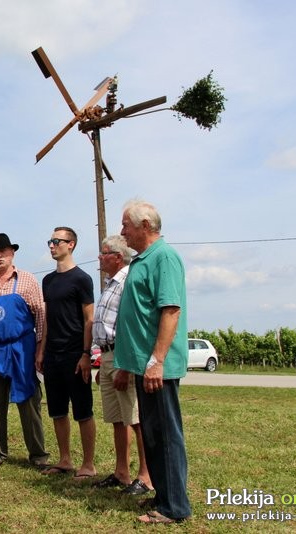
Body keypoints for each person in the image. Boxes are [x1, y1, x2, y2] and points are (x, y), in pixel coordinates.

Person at [114, 199, 191, 524]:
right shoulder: (143, 260)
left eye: (126, 226)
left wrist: (157, 360)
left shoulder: (164, 258)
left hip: (157, 368)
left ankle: (175, 507)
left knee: (166, 435)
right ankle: (164, 497)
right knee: (154, 434)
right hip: (142, 367)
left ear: (145, 226)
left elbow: (170, 310)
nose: (122, 232)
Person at [0, 233, 48, 469]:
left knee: (28, 400)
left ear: (12, 253)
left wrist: (39, 350)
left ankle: (38, 455)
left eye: (3, 251)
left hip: (21, 349)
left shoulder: (27, 280)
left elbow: (41, 316)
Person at [92, 235, 152, 495]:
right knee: (118, 419)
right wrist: (101, 360)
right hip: (107, 356)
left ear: (118, 257)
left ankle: (146, 476)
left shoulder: (128, 281)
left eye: (104, 253)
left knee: (136, 419)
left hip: (122, 355)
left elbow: (131, 324)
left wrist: (124, 365)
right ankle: (121, 473)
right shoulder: (109, 283)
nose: (99, 257)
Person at [37, 226, 97, 479]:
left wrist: (86, 354)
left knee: (83, 410)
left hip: (76, 355)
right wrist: (41, 350)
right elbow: (48, 319)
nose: (51, 246)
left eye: (56, 241)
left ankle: (89, 464)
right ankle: (65, 460)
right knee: (57, 410)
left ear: (71, 244)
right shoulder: (48, 281)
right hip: (52, 355)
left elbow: (89, 319)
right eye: (49, 241)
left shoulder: (83, 279)